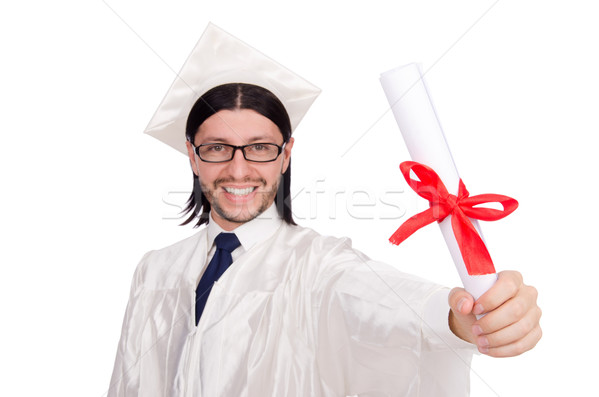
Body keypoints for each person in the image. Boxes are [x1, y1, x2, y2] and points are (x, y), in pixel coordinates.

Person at [109, 24, 541, 397]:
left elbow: (381, 303)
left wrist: (459, 318)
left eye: (259, 148)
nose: (238, 170)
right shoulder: (153, 272)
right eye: (218, 148)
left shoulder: (316, 266)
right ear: (192, 154)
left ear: (286, 154)